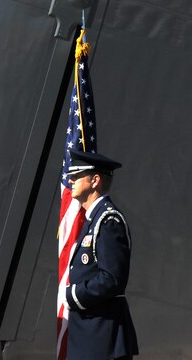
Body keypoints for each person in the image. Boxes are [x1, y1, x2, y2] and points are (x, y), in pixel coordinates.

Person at [61, 150, 139, 360]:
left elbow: (112, 278)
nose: (71, 180)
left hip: (102, 334)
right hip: (89, 334)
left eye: (77, 175)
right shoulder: (93, 219)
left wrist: (73, 295)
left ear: (94, 180)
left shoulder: (108, 220)